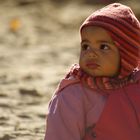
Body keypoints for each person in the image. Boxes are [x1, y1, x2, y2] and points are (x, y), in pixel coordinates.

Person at [44, 3, 140, 140]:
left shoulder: (136, 85)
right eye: (86, 46)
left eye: (103, 47)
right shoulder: (73, 95)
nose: (91, 53)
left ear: (127, 55)